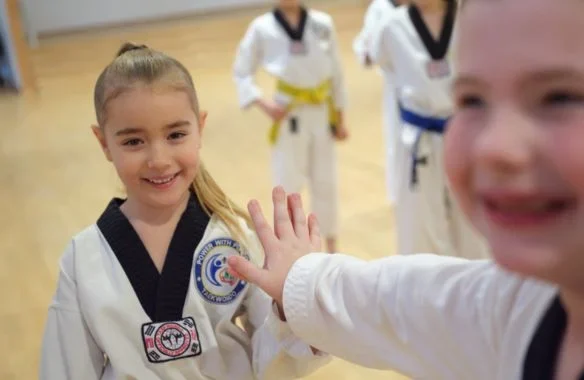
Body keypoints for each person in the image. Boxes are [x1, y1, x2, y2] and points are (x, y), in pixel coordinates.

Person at [227, 0, 584, 378]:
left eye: (559, 98)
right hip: (324, 124)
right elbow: (409, 303)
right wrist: (304, 280)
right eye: (471, 100)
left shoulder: (324, 24)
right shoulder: (516, 313)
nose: (495, 146)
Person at [39, 43, 331, 380]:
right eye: (133, 141)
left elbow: (273, 367)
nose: (159, 159)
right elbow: (65, 369)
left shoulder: (236, 237)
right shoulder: (83, 257)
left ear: (200, 128)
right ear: (103, 142)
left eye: (176, 134)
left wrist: (288, 303)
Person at [366, 0, 489, 258]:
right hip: (418, 141)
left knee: (474, 225)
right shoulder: (391, 25)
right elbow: (383, 64)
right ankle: (424, 295)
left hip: (465, 135)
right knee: (419, 227)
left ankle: (479, 291)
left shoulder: (472, 18)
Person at [232, 0, 348, 253]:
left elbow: (336, 72)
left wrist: (340, 116)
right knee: (288, 182)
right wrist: (263, 103)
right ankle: (291, 249)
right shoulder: (262, 28)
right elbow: (242, 71)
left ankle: (331, 247)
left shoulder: (322, 23)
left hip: (321, 111)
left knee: (326, 182)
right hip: (288, 113)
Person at [353, 0, 406, 205]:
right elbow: (365, 44)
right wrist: (367, 53)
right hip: (395, 85)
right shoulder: (380, 7)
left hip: (431, 87)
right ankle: (397, 196)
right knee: (395, 138)